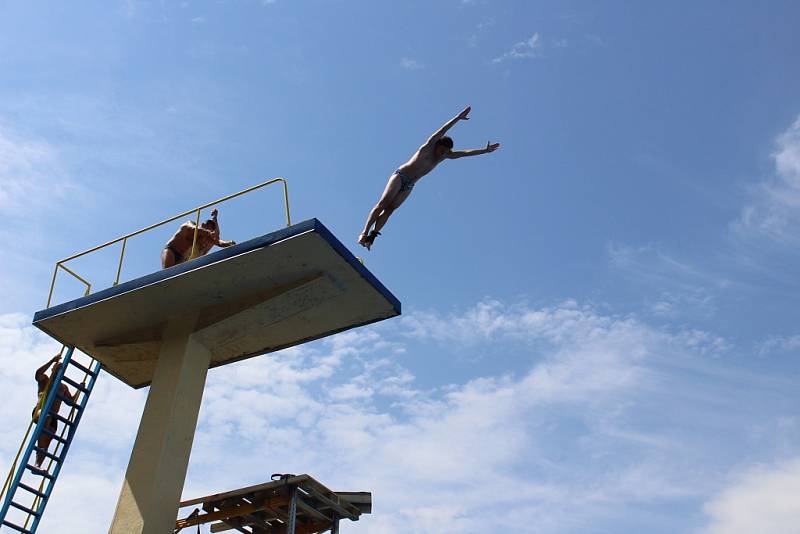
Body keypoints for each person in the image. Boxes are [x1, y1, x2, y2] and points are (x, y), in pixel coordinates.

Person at [358, 105, 500, 250]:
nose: (442, 153)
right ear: (437, 145)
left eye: (446, 152)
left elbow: (464, 153)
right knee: (383, 204)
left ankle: (371, 237)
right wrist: (458, 118)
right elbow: (443, 130)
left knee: (390, 210)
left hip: (409, 185)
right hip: (401, 176)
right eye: (442, 150)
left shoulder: (443, 157)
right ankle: (364, 232)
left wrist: (484, 150)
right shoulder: (427, 147)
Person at [32, 354, 81, 472]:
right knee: (46, 419)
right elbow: (37, 373)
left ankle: (37, 465)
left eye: (60, 369)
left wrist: (79, 389)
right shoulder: (45, 381)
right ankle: (41, 436)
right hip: (40, 412)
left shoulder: (63, 387)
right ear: (53, 370)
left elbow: (70, 402)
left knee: (46, 443)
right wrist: (52, 360)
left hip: (53, 417)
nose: (58, 371)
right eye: (56, 369)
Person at [161, 208, 236, 269]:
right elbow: (194, 229)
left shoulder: (206, 237)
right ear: (202, 225)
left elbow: (218, 242)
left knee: (177, 276)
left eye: (210, 230)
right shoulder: (189, 225)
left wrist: (228, 243)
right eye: (207, 229)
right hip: (172, 250)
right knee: (169, 272)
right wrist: (209, 233)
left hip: (182, 257)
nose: (208, 232)